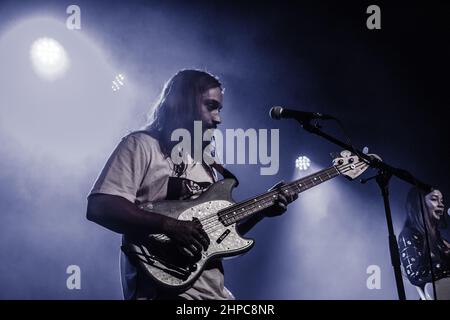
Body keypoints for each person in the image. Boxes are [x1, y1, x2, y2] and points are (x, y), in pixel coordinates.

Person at [86, 69, 297, 300]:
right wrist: (170, 226)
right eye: (211, 106)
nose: (218, 118)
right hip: (162, 292)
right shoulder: (142, 145)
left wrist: (262, 211)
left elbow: (217, 238)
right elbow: (100, 206)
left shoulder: (208, 164)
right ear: (183, 103)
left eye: (220, 109)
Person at [398, 187, 450, 299]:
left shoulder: (441, 241)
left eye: (442, 201)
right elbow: (416, 275)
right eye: (434, 199)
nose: (441, 204)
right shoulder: (408, 234)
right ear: (419, 204)